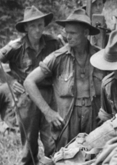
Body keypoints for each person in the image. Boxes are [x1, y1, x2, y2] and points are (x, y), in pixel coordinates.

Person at [0, 6, 61, 165]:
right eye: (33, 26)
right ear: (26, 28)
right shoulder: (16, 46)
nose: (37, 29)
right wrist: (10, 80)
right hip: (26, 98)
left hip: (49, 94)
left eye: (40, 25)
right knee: (29, 140)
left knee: (52, 138)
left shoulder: (53, 42)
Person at [24, 8, 104, 151]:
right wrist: (48, 112)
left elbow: (113, 83)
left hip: (94, 116)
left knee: (94, 157)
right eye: (66, 32)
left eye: (73, 33)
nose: (68, 36)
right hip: (67, 120)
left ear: (85, 33)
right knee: (65, 159)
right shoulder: (58, 58)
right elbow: (29, 82)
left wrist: (108, 112)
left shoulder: (100, 57)